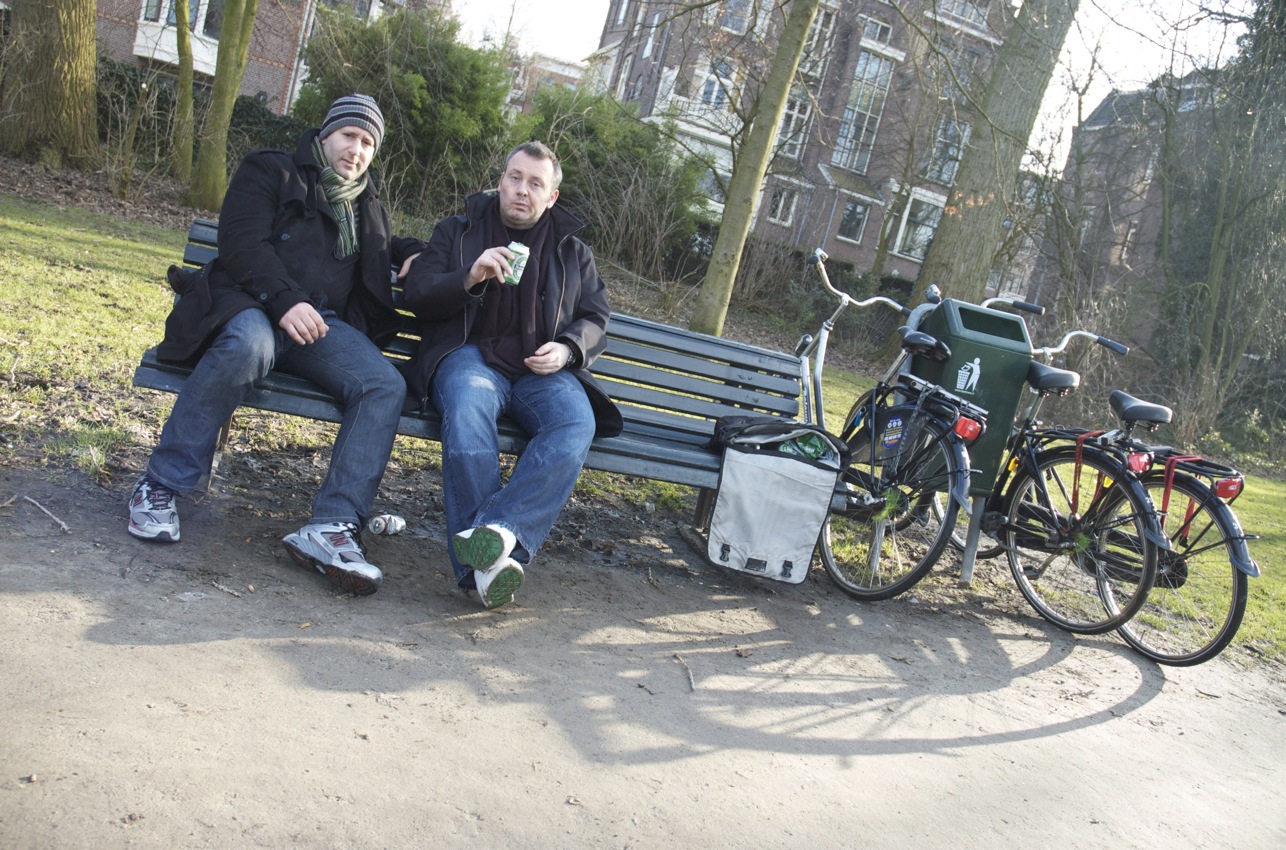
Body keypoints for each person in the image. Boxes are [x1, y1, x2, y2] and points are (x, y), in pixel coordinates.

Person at [128, 94, 424, 596]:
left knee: (383, 384)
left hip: (317, 326)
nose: (356, 149)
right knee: (249, 346)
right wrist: (285, 300)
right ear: (326, 135)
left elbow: (384, 246)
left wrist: (414, 251)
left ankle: (332, 526)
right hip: (250, 303)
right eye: (349, 135)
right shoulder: (272, 170)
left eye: (367, 143)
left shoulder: (365, 206)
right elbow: (242, 242)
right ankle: (160, 485)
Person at [402, 141, 623, 609]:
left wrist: (567, 349)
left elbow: (595, 317)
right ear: (500, 181)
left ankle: (499, 534)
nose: (523, 190)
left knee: (575, 421)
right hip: (468, 355)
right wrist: (469, 277)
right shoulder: (458, 231)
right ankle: (487, 567)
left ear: (552, 197)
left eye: (536, 183)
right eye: (515, 178)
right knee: (468, 408)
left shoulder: (572, 251)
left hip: (539, 368)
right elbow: (418, 293)